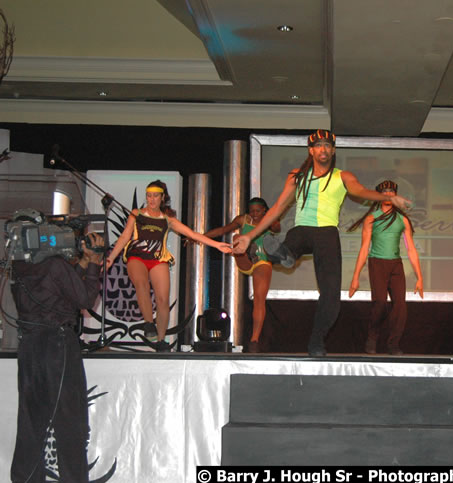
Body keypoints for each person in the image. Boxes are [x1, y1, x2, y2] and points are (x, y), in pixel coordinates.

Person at [233, 130, 412, 357]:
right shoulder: (297, 176)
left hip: (327, 234)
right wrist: (249, 236)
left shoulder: (342, 176)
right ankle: (282, 254)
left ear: (333, 150)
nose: (323, 149)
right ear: (311, 150)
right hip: (302, 231)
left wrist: (388, 197)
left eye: (327, 145)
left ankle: (316, 340)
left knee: (331, 298)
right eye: (318, 146)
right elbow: (277, 208)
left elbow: (361, 191)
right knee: (293, 241)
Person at [8, 232, 104, 483]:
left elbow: (58, 289)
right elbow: (85, 300)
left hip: (29, 347)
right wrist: (94, 261)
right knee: (70, 421)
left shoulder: (20, 267)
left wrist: (82, 264)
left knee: (30, 422)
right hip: (58, 345)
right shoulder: (56, 266)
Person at [106, 180, 232, 351]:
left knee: (163, 299)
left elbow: (192, 234)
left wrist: (217, 245)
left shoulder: (167, 220)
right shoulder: (136, 214)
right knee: (141, 284)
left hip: (158, 258)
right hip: (137, 256)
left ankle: (160, 340)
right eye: (149, 196)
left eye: (155, 196)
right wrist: (110, 258)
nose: (151, 200)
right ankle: (149, 323)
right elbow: (123, 238)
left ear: (162, 198)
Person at [347, 180, 424, 355]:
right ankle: (372, 338)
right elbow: (365, 247)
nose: (388, 195)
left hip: (395, 265)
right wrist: (355, 277)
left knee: (400, 306)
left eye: (391, 192)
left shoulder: (402, 219)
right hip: (377, 263)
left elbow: (411, 249)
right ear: (378, 195)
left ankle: (393, 344)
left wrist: (419, 277)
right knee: (380, 303)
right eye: (385, 192)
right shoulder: (371, 218)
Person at [204, 197, 281, 353]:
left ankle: (254, 339)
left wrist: (271, 219)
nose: (254, 214)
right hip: (244, 259)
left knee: (259, 299)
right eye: (251, 211)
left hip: (262, 261)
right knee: (236, 238)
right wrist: (201, 237)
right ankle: (245, 249)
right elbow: (222, 230)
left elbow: (277, 228)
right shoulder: (242, 219)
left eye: (257, 211)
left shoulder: (269, 220)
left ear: (264, 209)